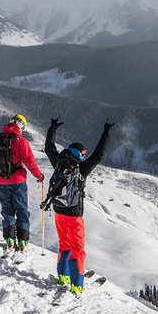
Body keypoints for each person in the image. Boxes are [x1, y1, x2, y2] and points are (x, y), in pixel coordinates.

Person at [44, 116, 113, 295]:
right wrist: (106, 131)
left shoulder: (58, 163)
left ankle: (63, 277)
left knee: (64, 245)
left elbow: (48, 147)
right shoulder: (81, 168)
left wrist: (53, 128)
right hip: (74, 215)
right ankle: (77, 285)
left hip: (58, 210)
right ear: (81, 154)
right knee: (77, 250)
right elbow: (98, 155)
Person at [0, 114, 44, 253]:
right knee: (22, 210)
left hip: (2, 181)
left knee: (7, 210)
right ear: (21, 126)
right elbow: (30, 162)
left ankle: (9, 240)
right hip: (18, 182)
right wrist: (39, 176)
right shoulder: (21, 142)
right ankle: (22, 241)